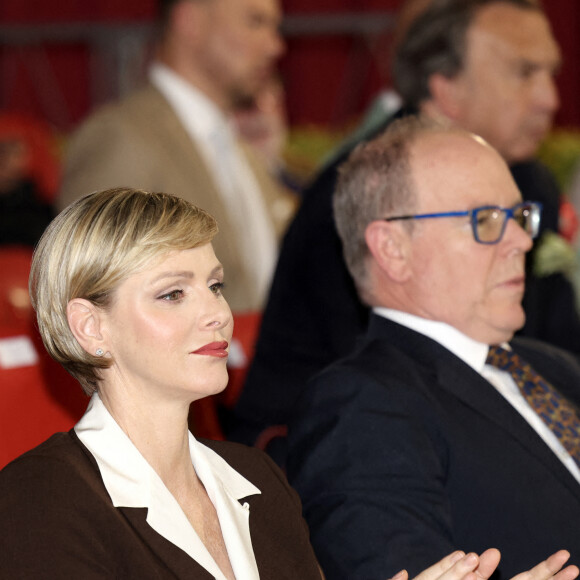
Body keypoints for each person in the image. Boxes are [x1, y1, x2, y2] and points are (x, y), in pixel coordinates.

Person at [0, 188, 572, 580]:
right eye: (174, 293)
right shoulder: (40, 499)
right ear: (90, 327)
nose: (216, 315)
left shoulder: (257, 480)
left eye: (216, 286)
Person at [228, 0, 580, 456]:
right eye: (523, 72)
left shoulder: (530, 183)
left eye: (551, 73)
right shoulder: (363, 196)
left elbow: (556, 353)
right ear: (445, 87)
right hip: (329, 455)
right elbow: (380, 386)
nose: (549, 98)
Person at [286, 116, 580, 580]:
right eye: (486, 220)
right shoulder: (362, 405)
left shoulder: (555, 368)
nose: (522, 240)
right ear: (393, 250)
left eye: (520, 216)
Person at [57, 0, 296, 312]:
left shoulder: (240, 146)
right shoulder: (122, 138)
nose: (275, 46)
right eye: (254, 22)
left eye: (274, 27)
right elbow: (96, 300)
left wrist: (273, 167)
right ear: (191, 22)